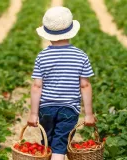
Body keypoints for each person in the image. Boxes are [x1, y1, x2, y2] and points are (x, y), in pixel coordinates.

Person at [27, 6, 96, 160]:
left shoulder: (42, 56)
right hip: (69, 109)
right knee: (60, 146)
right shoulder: (80, 56)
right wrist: (89, 114)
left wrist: (33, 113)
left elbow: (37, 86)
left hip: (46, 109)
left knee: (48, 143)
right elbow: (85, 85)